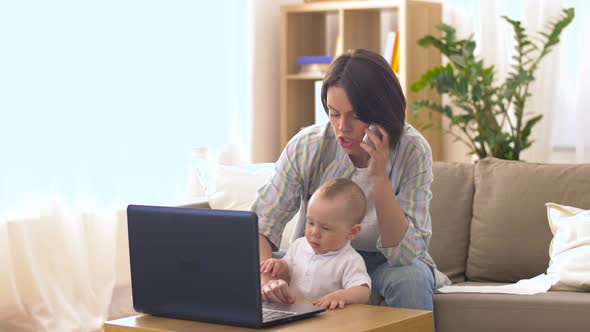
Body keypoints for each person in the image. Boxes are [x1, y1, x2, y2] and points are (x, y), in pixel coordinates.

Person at [254, 48, 449, 311]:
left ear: (382, 111)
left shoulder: (413, 151)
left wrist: (379, 175)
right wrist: (267, 281)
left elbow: (403, 256)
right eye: (334, 113)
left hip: (384, 264)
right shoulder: (308, 146)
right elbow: (262, 225)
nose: (342, 128)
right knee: (247, 265)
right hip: (317, 257)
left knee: (411, 277)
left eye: (355, 116)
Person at [260, 177, 371, 310]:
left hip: (328, 318)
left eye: (326, 228)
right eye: (310, 223)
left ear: (352, 232)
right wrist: (279, 265)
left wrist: (342, 295)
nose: (314, 233)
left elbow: (363, 292)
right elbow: (287, 269)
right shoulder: (298, 246)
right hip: (294, 311)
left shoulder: (349, 260)